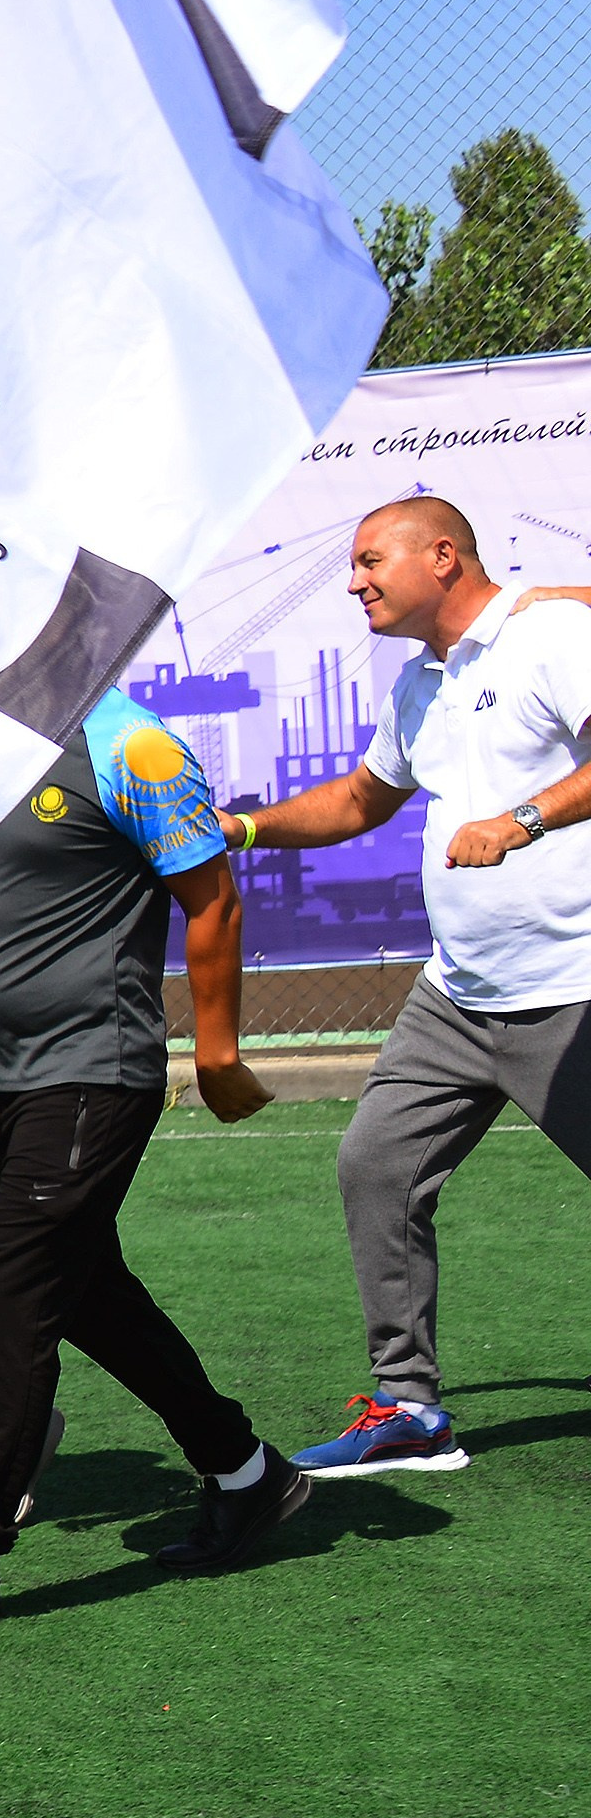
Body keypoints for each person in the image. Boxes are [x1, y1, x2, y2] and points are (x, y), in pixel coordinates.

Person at [0, 690, 305, 1636]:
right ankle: (246, 1471)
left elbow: (211, 898)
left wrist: (217, 1052)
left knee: (12, 1303)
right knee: (86, 1292)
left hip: (94, 1072)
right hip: (1, 1078)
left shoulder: (131, 743)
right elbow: (19, 886)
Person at [223, 495, 591, 1478]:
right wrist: (242, 828)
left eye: (368, 562)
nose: (353, 583)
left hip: (573, 990)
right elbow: (357, 800)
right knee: (376, 1167)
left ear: (441, 556)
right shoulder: (419, 683)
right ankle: (408, 1407)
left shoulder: (552, 636)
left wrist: (519, 821)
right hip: (454, 1000)